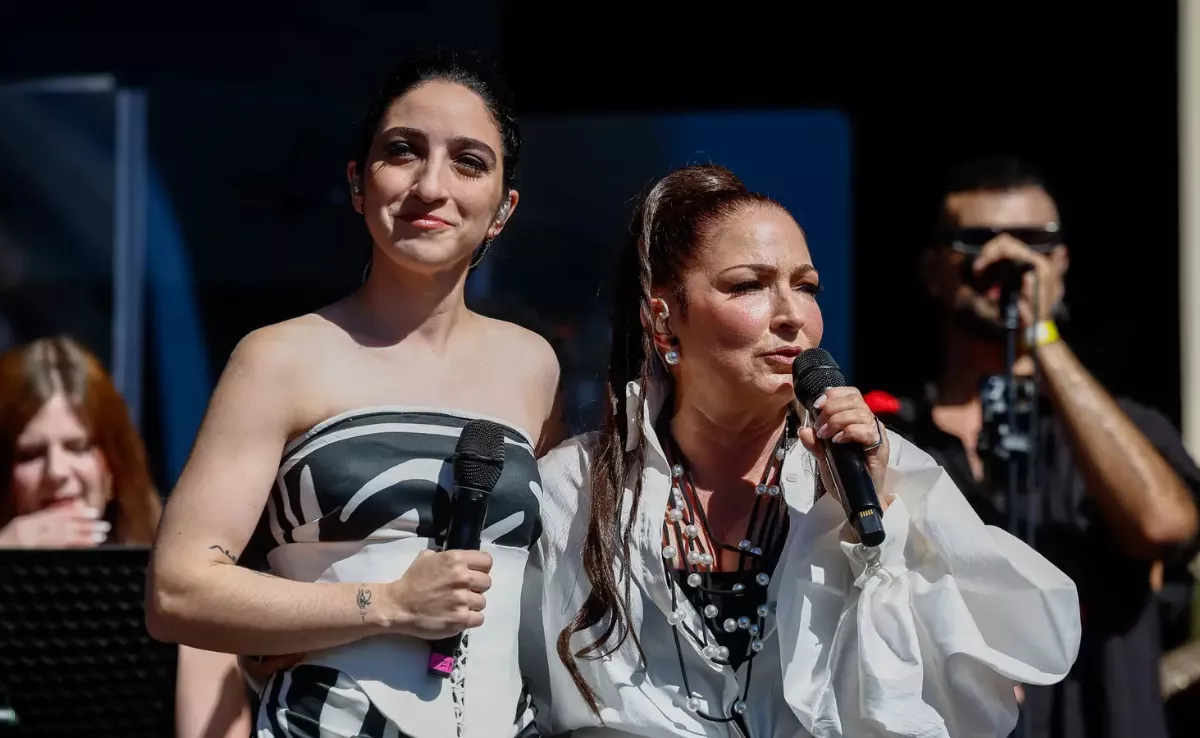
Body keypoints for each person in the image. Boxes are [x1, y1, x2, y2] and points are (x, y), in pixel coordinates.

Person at [520, 164, 1082, 738]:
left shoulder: (876, 469)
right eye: (748, 285)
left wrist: (872, 528)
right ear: (662, 319)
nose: (791, 315)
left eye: (806, 287)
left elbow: (955, 704)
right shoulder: (575, 489)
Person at [145, 48, 560, 738]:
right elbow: (177, 589)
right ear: (358, 183)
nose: (431, 185)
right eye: (402, 151)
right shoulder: (278, 357)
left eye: (468, 161)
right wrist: (387, 604)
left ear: (503, 209)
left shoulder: (534, 366)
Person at [879, 156, 1200, 737]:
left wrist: (1039, 333)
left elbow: (1163, 527)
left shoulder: (1124, 428)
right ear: (932, 270)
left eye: (1033, 242)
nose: (1005, 259)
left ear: (1061, 264)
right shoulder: (892, 436)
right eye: (975, 241)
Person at [0, 336, 251, 738]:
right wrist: (9, 559)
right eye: (30, 454)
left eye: (78, 447)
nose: (57, 472)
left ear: (113, 466)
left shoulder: (178, 582)